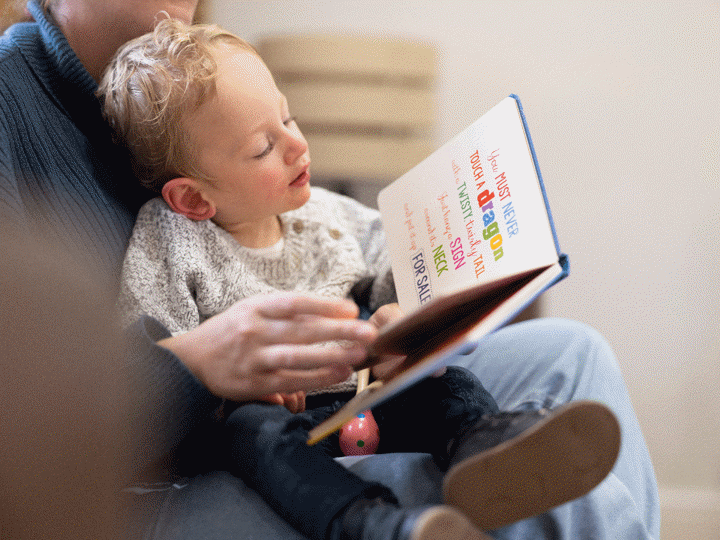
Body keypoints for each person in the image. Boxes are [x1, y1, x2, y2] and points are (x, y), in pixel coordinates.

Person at [0, 1, 660, 539]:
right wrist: (205, 365)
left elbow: (380, 259)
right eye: (265, 142)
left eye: (288, 121)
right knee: (505, 500)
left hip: (353, 388)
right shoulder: (20, 108)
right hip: (190, 453)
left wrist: (410, 321)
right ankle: (384, 522)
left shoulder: (240, 116)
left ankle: (481, 448)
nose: (293, 144)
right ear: (190, 195)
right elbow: (63, 404)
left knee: (575, 357)